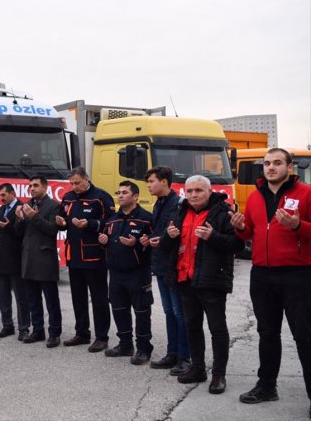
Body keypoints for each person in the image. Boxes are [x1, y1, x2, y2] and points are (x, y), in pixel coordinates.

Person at [230, 148, 311, 416]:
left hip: (298, 275)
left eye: (277, 163)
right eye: (266, 163)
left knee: (305, 336)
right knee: (267, 334)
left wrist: (298, 225)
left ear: (290, 166)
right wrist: (240, 227)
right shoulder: (254, 197)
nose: (271, 167)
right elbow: (249, 234)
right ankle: (267, 386)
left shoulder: (306, 194)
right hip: (262, 275)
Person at [160, 175, 244, 395]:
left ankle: (218, 375)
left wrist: (213, 236)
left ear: (209, 191)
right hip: (185, 279)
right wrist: (168, 236)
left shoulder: (223, 212)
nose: (194, 195)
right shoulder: (179, 210)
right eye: (190, 191)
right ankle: (197, 368)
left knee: (217, 329)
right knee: (192, 327)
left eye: (198, 190)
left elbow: (237, 244)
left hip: (212, 280)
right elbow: (166, 244)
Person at [56, 166, 114, 352]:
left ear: (87, 179)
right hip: (74, 256)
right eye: (71, 183)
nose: (74, 187)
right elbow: (64, 219)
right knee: (77, 297)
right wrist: (62, 223)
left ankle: (102, 337)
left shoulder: (101, 197)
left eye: (78, 183)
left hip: (94, 256)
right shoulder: (68, 197)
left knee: (99, 298)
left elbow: (112, 223)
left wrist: (90, 224)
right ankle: (82, 332)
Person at [99, 181, 154, 365]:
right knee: (119, 309)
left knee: (141, 311)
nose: (120, 195)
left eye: (124, 192)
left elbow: (154, 246)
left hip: (138, 273)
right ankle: (125, 345)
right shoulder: (112, 219)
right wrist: (103, 241)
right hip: (115, 273)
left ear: (135, 196)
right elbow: (107, 242)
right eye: (119, 192)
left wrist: (137, 244)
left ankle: (144, 348)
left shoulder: (146, 219)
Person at [143, 166, 191, 375]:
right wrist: (150, 239)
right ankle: (172, 353)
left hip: (174, 265)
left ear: (164, 181)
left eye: (152, 181)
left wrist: (160, 240)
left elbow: (178, 233)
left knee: (180, 313)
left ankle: (184, 357)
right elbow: (161, 231)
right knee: (169, 311)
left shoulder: (178, 204)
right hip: (161, 264)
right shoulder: (159, 203)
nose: (149, 186)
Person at [15, 175, 62, 348]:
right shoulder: (27, 205)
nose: (32, 189)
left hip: (45, 259)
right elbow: (18, 233)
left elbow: (52, 230)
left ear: (45, 187)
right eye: (30, 186)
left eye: (35, 185)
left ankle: (55, 333)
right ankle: (38, 330)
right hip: (28, 258)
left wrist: (34, 217)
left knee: (51, 300)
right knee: (33, 299)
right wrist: (19, 219)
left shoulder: (54, 206)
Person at [0, 183, 30, 341]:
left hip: (16, 259)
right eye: (0, 195)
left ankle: (24, 328)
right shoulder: (0, 209)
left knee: (21, 297)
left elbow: (23, 232)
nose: (1, 197)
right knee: (3, 296)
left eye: (4, 195)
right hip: (1, 260)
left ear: (12, 193)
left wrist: (9, 226)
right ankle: (7, 325)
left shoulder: (22, 208)